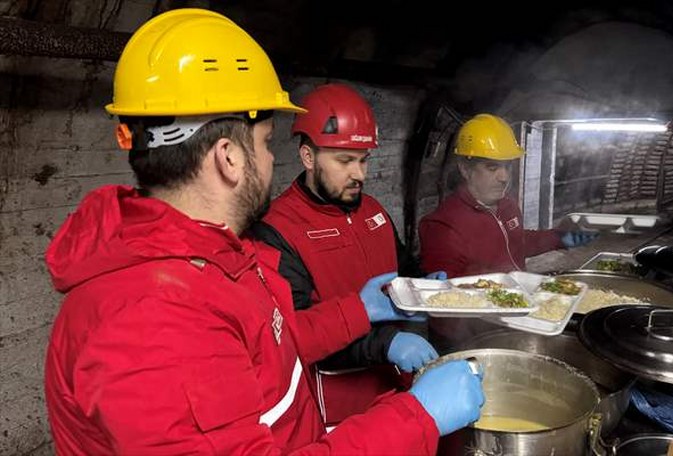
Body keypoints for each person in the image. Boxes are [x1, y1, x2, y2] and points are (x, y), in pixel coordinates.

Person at [43, 9, 483, 455]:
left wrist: (359, 310)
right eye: (267, 142)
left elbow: (271, 344)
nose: (272, 160)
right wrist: (417, 418)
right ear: (228, 157)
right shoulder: (151, 323)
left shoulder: (212, 257)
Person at [251, 83, 441, 426]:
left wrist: (428, 287)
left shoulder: (373, 211)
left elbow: (403, 268)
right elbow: (295, 334)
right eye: (345, 161)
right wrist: (386, 343)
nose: (360, 174)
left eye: (364, 160)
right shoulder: (277, 231)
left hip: (398, 387)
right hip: (337, 411)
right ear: (308, 157)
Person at [419, 113, 597, 278]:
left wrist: (558, 238)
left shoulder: (507, 205)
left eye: (507, 166)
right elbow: (447, 299)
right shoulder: (442, 226)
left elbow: (516, 242)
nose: (504, 177)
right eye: (492, 167)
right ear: (465, 169)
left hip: (519, 302)